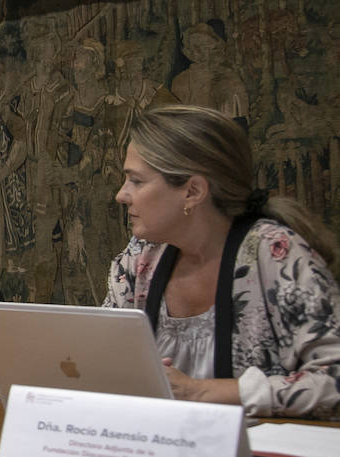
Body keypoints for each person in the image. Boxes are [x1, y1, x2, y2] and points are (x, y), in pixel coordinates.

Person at [103, 105, 340, 419]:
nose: (122, 195)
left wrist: (199, 391)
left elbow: (334, 379)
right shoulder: (138, 260)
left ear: (193, 191)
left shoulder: (275, 252)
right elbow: (104, 361)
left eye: (136, 181)